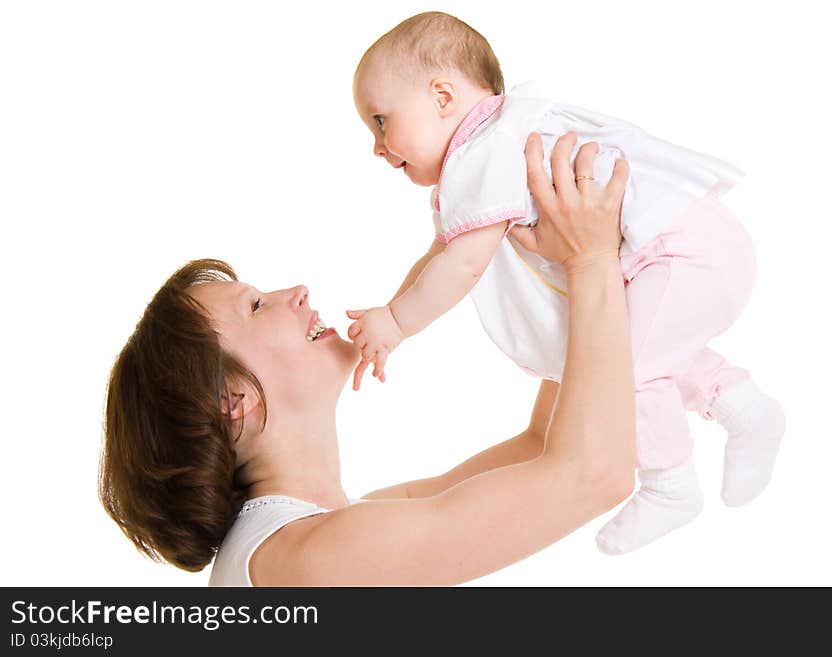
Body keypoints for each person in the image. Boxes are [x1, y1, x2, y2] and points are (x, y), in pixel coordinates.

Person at [100, 136, 636, 586]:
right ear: (230, 403)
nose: (298, 292)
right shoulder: (305, 558)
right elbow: (593, 475)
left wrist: (573, 272)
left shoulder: (322, 533)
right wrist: (590, 257)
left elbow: (543, 445)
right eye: (257, 307)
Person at [348, 11, 785, 555]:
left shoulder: (485, 149)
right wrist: (390, 312)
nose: (376, 145)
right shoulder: (491, 144)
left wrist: (396, 323)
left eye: (381, 121)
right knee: (648, 352)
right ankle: (745, 407)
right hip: (687, 249)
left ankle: (670, 485)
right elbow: (441, 252)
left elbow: (462, 266)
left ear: (442, 97)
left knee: (621, 367)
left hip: (679, 252)